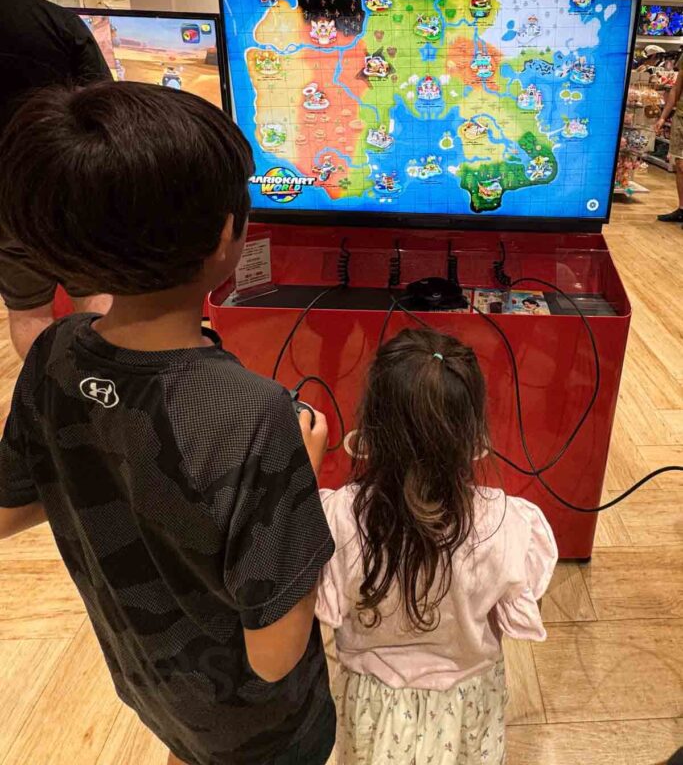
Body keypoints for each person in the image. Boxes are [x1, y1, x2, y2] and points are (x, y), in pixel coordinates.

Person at [0, 82, 336, 765]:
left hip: (148, 682)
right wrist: (300, 471)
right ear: (225, 237)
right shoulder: (255, 417)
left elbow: (9, 509)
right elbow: (274, 655)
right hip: (259, 730)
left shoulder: (54, 353)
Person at [316, 328, 558, 765]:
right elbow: (509, 615)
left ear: (372, 424)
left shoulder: (338, 519)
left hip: (373, 710)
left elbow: (324, 611)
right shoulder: (510, 525)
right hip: (466, 708)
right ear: (472, 433)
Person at [0, 0, 112, 358]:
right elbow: (105, 109)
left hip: (3, 198)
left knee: (28, 309)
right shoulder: (58, 23)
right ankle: (106, 393)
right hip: (69, 185)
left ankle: (45, 400)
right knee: (96, 294)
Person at [656, 62, 683, 225]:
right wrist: (663, 117)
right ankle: (681, 209)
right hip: (681, 117)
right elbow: (676, 88)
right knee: (680, 165)